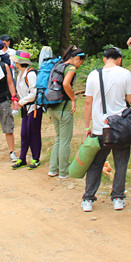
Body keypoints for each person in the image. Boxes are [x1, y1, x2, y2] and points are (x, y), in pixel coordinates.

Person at [81, 46, 131, 212]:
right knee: (121, 163)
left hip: (100, 128)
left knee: (96, 164)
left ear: (104, 59)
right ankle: (118, 198)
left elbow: (88, 102)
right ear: (119, 59)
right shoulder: (125, 73)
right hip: (120, 128)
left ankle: (88, 199)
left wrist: (87, 126)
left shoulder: (93, 75)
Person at [46, 45, 86, 178]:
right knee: (65, 140)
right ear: (76, 58)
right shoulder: (71, 67)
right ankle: (64, 171)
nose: (80, 65)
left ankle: (53, 169)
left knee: (58, 138)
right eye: (81, 61)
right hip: (64, 107)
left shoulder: (58, 65)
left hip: (52, 106)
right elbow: (66, 84)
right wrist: (73, 99)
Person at [11, 51, 42, 169]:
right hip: (26, 107)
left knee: (33, 134)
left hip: (34, 108)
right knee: (24, 134)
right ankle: (22, 158)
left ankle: (35, 158)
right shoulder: (20, 74)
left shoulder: (30, 74)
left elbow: (34, 93)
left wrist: (21, 102)